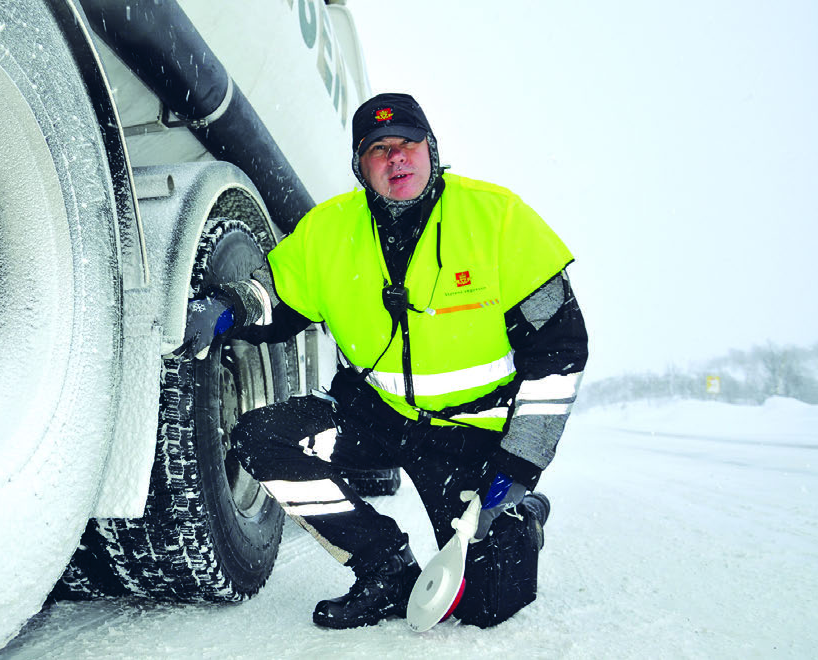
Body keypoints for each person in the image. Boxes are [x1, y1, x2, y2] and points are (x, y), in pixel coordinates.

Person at [178, 93, 588, 629]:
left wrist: (518, 464)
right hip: (373, 419)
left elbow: (559, 351)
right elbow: (277, 294)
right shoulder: (329, 231)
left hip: (471, 431)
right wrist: (229, 306)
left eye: (407, 144)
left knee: (482, 606)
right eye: (379, 150)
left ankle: (522, 517)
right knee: (263, 440)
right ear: (361, 166)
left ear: (431, 150)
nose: (396, 158)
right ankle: (385, 568)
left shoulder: (498, 218)